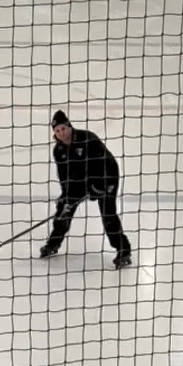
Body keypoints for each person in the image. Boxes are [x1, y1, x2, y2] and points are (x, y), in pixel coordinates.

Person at [40, 112, 132, 268]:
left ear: (69, 126)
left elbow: (105, 163)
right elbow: (65, 177)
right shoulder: (59, 151)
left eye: (63, 128)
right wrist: (66, 196)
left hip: (107, 177)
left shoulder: (88, 139)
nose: (61, 133)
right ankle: (53, 244)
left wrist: (99, 186)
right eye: (57, 131)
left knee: (108, 214)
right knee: (64, 209)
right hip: (81, 180)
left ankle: (124, 251)